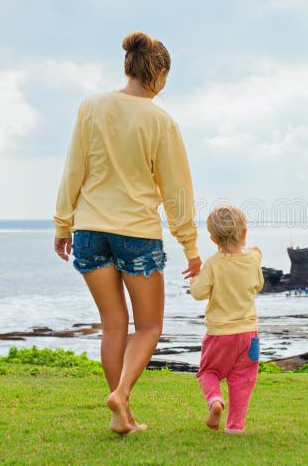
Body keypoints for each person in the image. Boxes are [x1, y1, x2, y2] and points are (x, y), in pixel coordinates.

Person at [53, 31, 200, 435]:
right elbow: (177, 191)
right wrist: (190, 247)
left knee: (113, 324)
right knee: (149, 326)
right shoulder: (161, 120)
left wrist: (63, 224)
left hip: (89, 230)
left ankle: (124, 417)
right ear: (159, 72)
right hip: (137, 232)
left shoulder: (92, 106)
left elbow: (74, 170)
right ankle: (120, 394)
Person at [190, 205, 264, 434]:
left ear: (212, 240)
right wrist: (256, 256)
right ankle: (235, 427)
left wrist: (195, 275)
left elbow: (198, 293)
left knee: (208, 372)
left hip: (220, 335)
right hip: (249, 335)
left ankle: (215, 401)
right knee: (242, 382)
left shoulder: (213, 263)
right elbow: (258, 285)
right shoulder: (252, 260)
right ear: (244, 233)